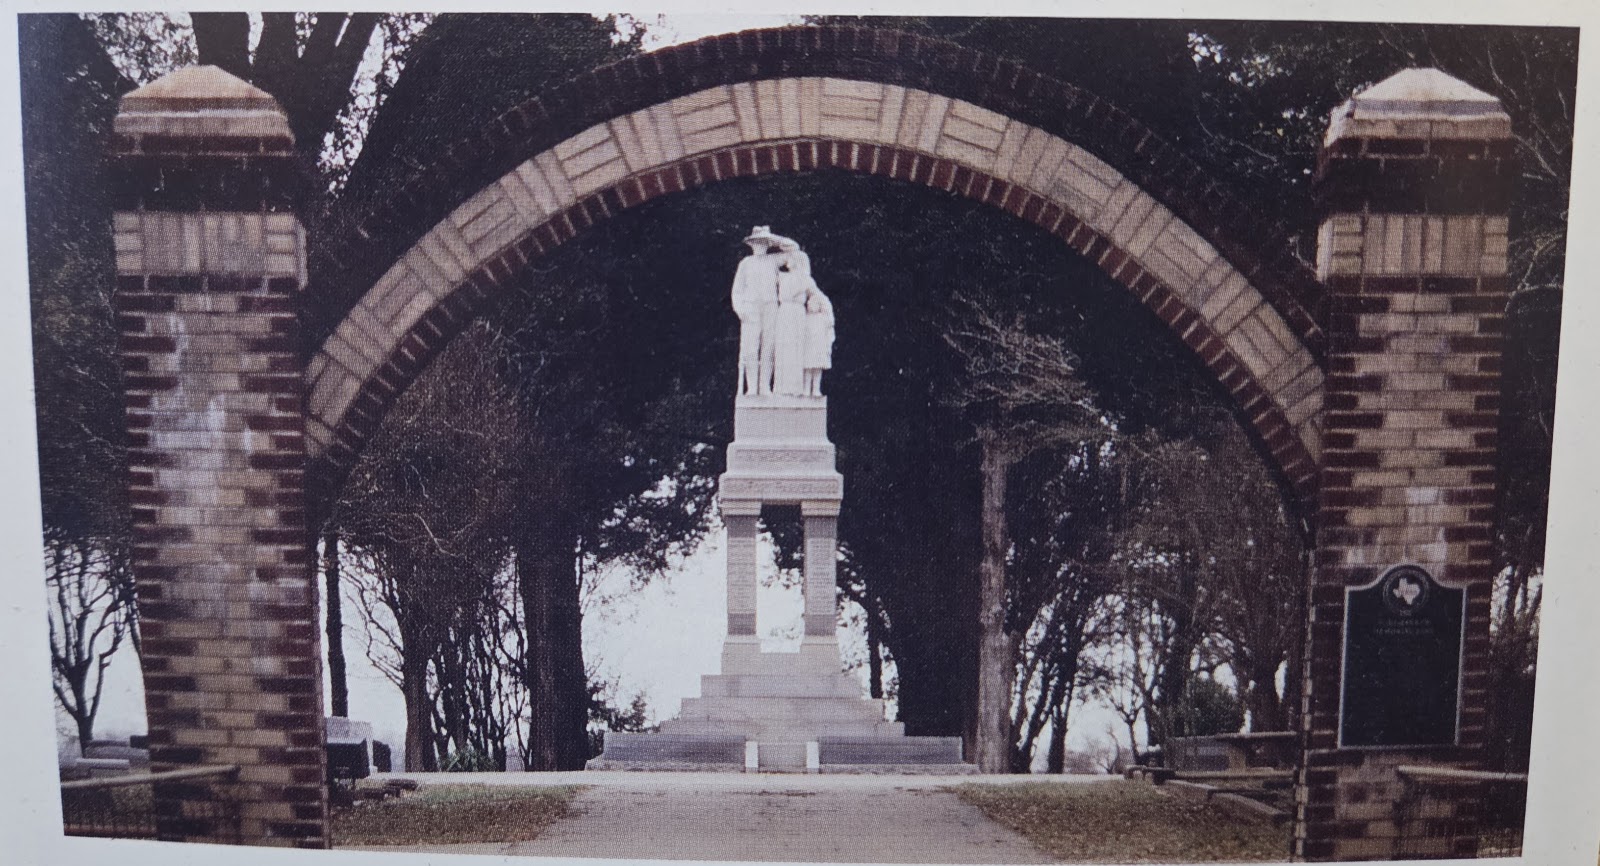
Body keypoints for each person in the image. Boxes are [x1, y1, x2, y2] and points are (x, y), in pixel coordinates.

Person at [730, 226, 785, 395]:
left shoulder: (774, 260)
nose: (760, 245)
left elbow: (794, 251)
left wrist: (774, 238)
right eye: (757, 242)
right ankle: (752, 387)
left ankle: (765, 386)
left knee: (769, 346)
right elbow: (737, 290)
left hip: (770, 306)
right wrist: (740, 310)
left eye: (763, 242)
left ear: (768, 244)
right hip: (751, 308)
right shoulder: (745, 263)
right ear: (751, 244)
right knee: (750, 348)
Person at [771, 238, 813, 397]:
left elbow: (819, 297)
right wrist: (773, 239)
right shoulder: (782, 277)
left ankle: (795, 388)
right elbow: (788, 244)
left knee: (796, 348)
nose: (786, 259)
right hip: (785, 313)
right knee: (783, 348)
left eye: (790, 257)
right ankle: (781, 388)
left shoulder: (805, 279)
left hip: (797, 314)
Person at [802, 277, 834, 398]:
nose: (811, 305)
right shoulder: (806, 318)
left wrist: (827, 346)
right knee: (807, 369)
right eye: (809, 303)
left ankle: (815, 389)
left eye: (814, 303)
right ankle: (806, 389)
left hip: (818, 348)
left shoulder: (822, 319)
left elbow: (829, 331)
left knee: (817, 369)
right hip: (808, 348)